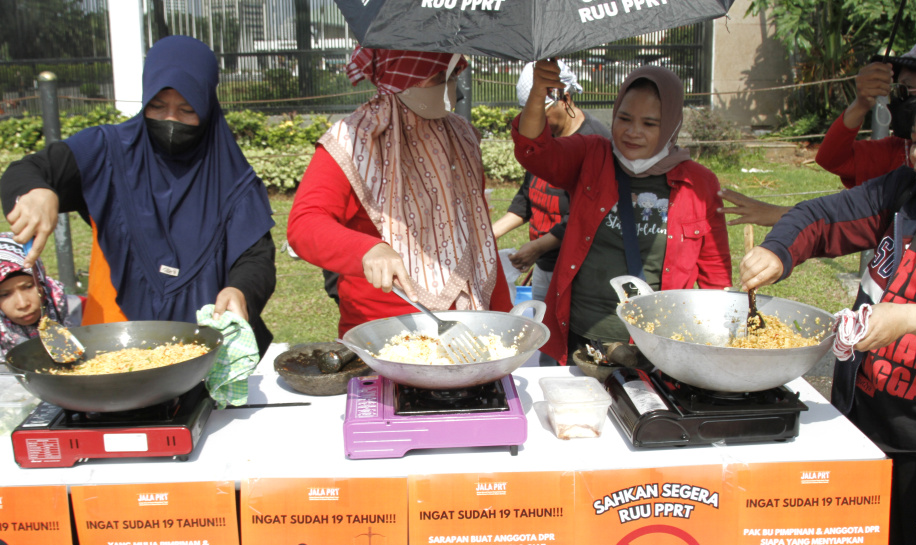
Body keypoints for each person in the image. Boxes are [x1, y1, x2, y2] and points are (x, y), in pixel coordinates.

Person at [740, 78, 916, 545]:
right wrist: (781, 252)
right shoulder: (903, 195)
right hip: (872, 439)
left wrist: (910, 317)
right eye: (914, 140)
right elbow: (820, 215)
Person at [0, 35, 276, 353]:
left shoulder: (231, 177)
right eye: (157, 107)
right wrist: (36, 191)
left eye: (187, 110)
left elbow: (256, 258)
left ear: (208, 106)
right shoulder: (107, 152)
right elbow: (29, 170)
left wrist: (240, 290)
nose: (171, 120)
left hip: (207, 349)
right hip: (116, 343)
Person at [512, 61, 731, 365]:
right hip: (578, 337)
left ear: (671, 124)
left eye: (650, 124)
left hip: (653, 346)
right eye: (624, 118)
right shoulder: (591, 156)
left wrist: (716, 348)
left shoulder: (700, 183)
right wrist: (538, 95)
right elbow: (534, 152)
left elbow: (715, 277)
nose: (633, 132)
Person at [287, 48, 511, 337]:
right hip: (385, 326)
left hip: (469, 320)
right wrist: (367, 249)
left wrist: (502, 316)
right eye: (438, 78)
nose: (450, 87)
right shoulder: (352, 140)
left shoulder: (462, 135)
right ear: (402, 77)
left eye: (453, 75)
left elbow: (480, 235)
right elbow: (305, 224)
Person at [719, 38, 916, 229]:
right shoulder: (899, 154)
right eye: (898, 89)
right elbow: (841, 202)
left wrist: (775, 213)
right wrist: (860, 104)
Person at [492, 60, 612, 303]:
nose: (535, 121)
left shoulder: (595, 142)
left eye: (541, 111)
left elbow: (586, 215)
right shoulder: (542, 144)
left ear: (565, 99)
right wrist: (489, 233)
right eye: (528, 113)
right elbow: (527, 198)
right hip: (544, 264)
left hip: (576, 270)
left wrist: (538, 247)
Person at [816, 37, 916, 189]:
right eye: (896, 89)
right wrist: (860, 104)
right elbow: (831, 159)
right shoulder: (898, 151)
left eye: (906, 89)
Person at [0, 233, 82, 384]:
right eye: (5, 295)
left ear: (40, 280)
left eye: (29, 287)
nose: (22, 304)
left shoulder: (84, 312)